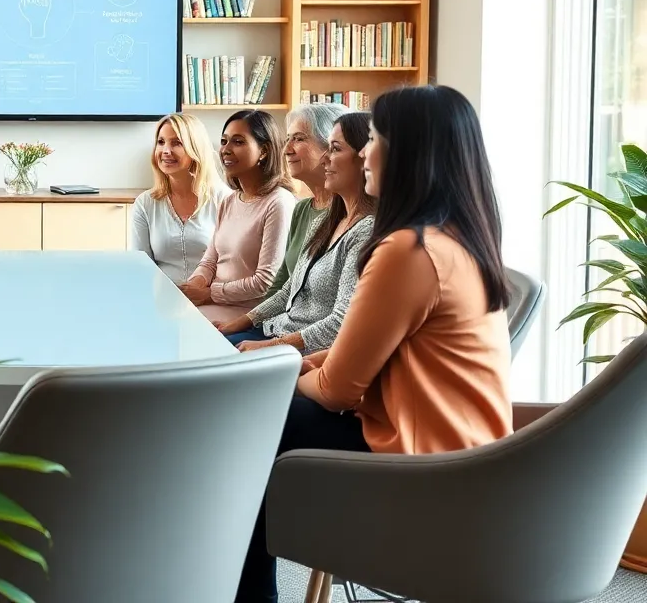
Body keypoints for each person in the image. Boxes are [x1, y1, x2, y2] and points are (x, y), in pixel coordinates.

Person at [235, 86, 514, 602]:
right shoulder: (456, 239)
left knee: (243, 429)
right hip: (462, 458)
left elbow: (339, 389)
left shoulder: (408, 251)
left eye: (375, 139)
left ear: (412, 155)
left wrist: (282, 371)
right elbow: (367, 358)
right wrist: (296, 362)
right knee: (256, 416)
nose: (364, 151)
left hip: (421, 467)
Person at [216, 112, 376, 354]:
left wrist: (268, 346)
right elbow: (287, 290)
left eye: (334, 149)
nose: (325, 160)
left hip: (300, 348)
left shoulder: (365, 231)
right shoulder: (328, 218)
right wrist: (235, 325)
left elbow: (342, 322)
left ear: (364, 156)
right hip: (275, 330)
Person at [182, 110, 296, 322]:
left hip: (249, 316)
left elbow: (265, 282)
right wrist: (194, 285)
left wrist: (208, 294)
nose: (225, 149)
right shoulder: (230, 201)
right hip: (214, 305)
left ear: (264, 150)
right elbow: (210, 260)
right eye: (224, 141)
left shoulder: (279, 202)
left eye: (238, 142)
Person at [129, 113, 231, 285]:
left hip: (211, 298)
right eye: (161, 142)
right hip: (161, 300)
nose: (166, 151)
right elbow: (141, 267)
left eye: (177, 143)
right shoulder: (145, 203)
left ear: (195, 148)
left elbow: (233, 266)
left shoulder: (224, 200)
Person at [266, 103, 348, 298]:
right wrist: (250, 320)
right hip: (284, 322)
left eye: (299, 139)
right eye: (287, 139)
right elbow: (283, 281)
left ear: (331, 146)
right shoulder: (302, 208)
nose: (286, 150)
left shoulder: (352, 213)